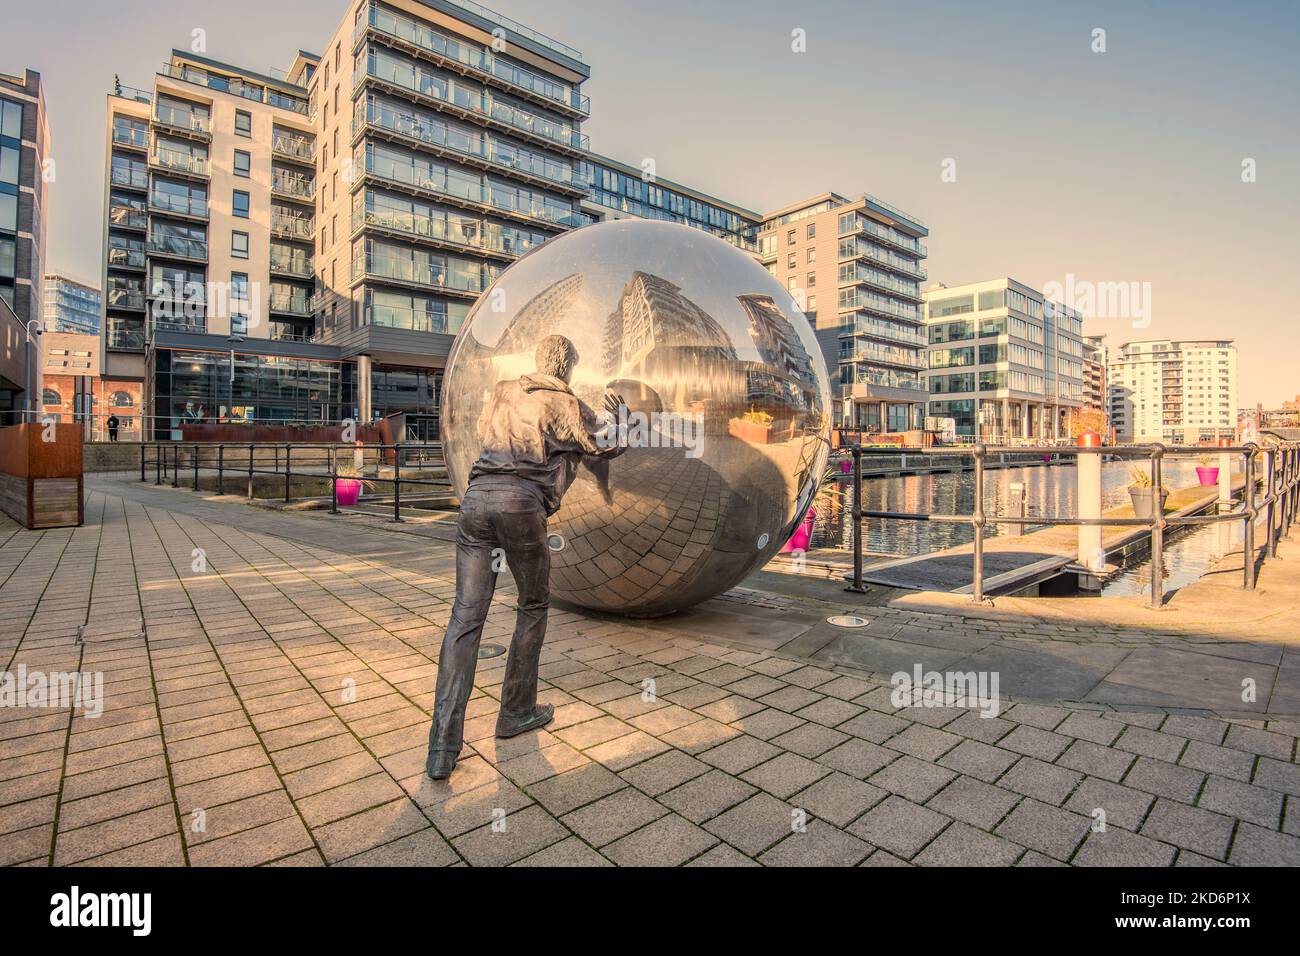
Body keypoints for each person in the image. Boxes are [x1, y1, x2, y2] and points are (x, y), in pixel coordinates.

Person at [426, 334, 626, 779]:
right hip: (521, 506)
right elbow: (605, 444)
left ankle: (442, 744)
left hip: (475, 502)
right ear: (566, 366)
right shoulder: (565, 403)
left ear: (538, 361)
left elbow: (484, 435)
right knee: (532, 605)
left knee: (465, 616)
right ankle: (515, 711)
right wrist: (622, 414)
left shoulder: (502, 391)